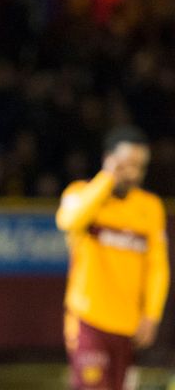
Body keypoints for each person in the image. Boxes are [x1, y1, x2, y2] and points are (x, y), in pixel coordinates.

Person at [56, 126, 169, 390]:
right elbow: (68, 220)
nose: (133, 174)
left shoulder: (150, 207)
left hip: (129, 326)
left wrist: (151, 315)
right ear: (108, 159)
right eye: (126, 165)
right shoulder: (81, 193)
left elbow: (158, 268)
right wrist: (107, 179)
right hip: (88, 320)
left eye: (140, 167)